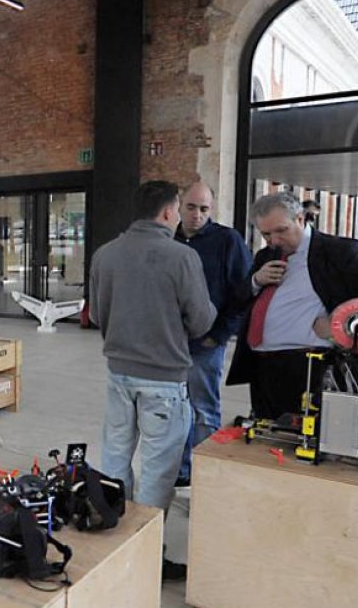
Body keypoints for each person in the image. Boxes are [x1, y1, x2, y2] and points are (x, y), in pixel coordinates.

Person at [90, 181, 215, 581]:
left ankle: (113, 536)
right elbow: (201, 320)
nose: (182, 216)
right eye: (180, 209)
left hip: (118, 372)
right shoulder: (181, 257)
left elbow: (96, 315)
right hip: (163, 379)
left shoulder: (105, 254)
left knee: (114, 457)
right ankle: (144, 560)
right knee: (159, 470)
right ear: (167, 212)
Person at [226, 192, 358, 420]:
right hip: (266, 368)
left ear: (301, 219)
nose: (274, 240)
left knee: (310, 444)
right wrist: (256, 281)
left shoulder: (337, 251)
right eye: (266, 234)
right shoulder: (266, 255)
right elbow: (237, 301)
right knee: (267, 442)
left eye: (281, 230)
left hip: (314, 368)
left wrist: (340, 322)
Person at [173, 183, 251, 486]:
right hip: (170, 343)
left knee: (203, 409)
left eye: (204, 209)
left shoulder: (227, 241)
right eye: (191, 207)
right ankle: (180, 472)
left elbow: (242, 294)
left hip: (206, 342)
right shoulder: (169, 239)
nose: (196, 215)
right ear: (180, 206)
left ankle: (204, 477)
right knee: (173, 410)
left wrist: (218, 335)